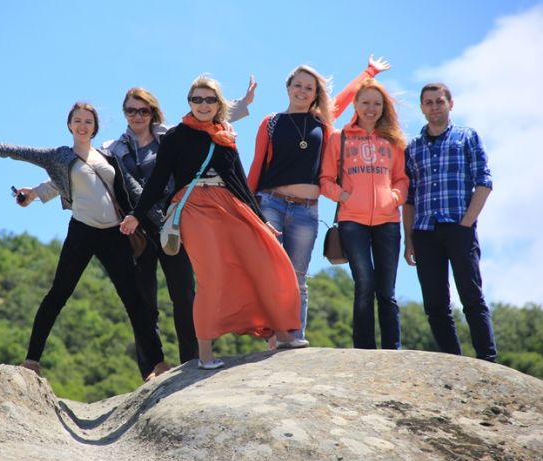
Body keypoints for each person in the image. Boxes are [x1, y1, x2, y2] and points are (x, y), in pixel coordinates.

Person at [17, 81, 256, 374]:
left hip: (172, 226)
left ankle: (192, 362)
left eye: (143, 110)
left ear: (153, 112)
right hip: (138, 232)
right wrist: (36, 193)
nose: (137, 116)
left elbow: (205, 120)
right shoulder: (112, 149)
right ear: (124, 113)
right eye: (131, 110)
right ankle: (152, 369)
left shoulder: (169, 136)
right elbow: (77, 172)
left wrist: (242, 105)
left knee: (183, 296)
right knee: (144, 303)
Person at [0, 102, 168, 380]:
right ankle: (32, 360)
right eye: (77, 120)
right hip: (82, 232)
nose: (83, 125)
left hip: (114, 233)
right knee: (58, 295)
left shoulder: (107, 156)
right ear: (69, 125)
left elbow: (133, 190)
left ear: (95, 127)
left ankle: (158, 364)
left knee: (135, 301)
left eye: (88, 121)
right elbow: (15, 152)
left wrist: (160, 219)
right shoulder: (59, 156)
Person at [120, 75, 303, 369]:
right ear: (189, 102)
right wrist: (136, 214)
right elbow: (158, 180)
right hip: (193, 206)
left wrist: (260, 220)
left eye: (209, 99)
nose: (203, 105)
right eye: (197, 99)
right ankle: (204, 355)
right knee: (211, 277)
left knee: (267, 259)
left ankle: (282, 332)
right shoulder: (176, 136)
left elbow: (238, 181)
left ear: (219, 104)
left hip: (229, 203)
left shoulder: (225, 135)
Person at [248, 55, 391, 344]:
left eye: (309, 88)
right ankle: (274, 334)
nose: (302, 91)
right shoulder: (271, 123)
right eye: (297, 85)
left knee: (298, 275)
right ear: (288, 87)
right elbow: (256, 166)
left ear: (316, 94)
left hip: (306, 211)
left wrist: (369, 71)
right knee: (271, 271)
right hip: (271, 203)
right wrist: (248, 207)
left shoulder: (323, 124)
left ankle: (294, 336)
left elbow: (347, 97)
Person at [403, 83, 497, 362]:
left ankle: (487, 359)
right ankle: (452, 361)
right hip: (424, 231)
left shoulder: (467, 137)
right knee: (435, 304)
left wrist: (466, 222)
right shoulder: (413, 148)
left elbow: (484, 181)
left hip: (459, 228)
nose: (434, 107)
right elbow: (409, 197)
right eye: (428, 102)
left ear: (450, 104)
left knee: (471, 296)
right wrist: (408, 239)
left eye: (439, 101)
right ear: (422, 108)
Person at [320, 78, 408, 349]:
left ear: (383, 108)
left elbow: (402, 180)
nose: (371, 108)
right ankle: (364, 350)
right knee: (365, 284)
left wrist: (394, 198)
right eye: (366, 102)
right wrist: (345, 196)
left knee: (387, 291)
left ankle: (392, 349)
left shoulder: (393, 140)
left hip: (388, 221)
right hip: (352, 222)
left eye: (377, 104)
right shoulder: (339, 138)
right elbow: (325, 180)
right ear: (356, 105)